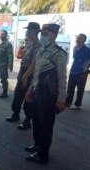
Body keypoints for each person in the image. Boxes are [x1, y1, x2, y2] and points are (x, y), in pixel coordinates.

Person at [24, 24, 67, 164]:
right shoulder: (41, 51)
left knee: (46, 125)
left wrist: (61, 99)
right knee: (36, 121)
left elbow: (62, 78)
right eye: (42, 33)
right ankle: (37, 145)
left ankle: (43, 154)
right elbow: (36, 74)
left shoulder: (58, 53)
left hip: (49, 95)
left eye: (45, 33)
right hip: (37, 91)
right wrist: (31, 90)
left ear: (54, 35)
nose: (42, 36)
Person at [6, 22, 42, 131]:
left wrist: (26, 75)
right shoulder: (29, 43)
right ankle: (15, 114)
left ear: (34, 32)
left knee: (28, 98)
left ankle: (27, 121)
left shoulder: (38, 45)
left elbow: (34, 63)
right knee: (18, 95)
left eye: (29, 30)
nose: (27, 32)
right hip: (23, 73)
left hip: (30, 74)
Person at [65, 33, 90, 110]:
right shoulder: (74, 48)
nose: (77, 39)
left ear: (84, 40)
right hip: (73, 72)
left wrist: (85, 68)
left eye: (80, 38)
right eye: (77, 38)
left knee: (80, 89)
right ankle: (67, 103)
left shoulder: (87, 50)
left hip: (81, 73)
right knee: (70, 88)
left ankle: (77, 105)